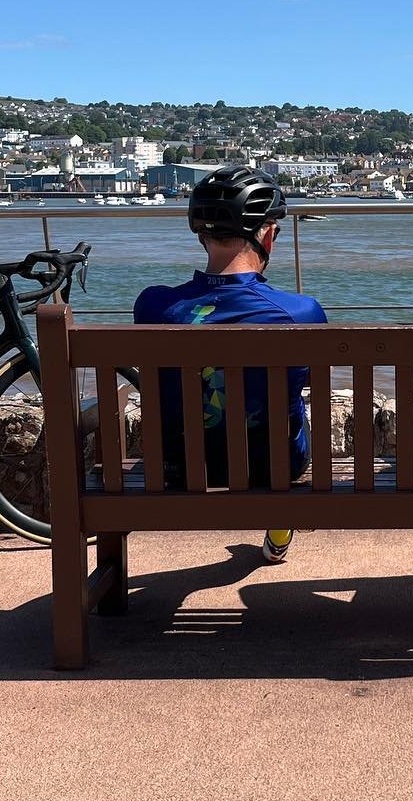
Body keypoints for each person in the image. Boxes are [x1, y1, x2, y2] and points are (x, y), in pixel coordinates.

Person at [133, 166, 327, 564]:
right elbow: (310, 383)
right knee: (291, 412)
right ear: (268, 234)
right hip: (273, 467)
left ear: (201, 235)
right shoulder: (299, 312)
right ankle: (278, 516)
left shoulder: (152, 305)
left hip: (180, 467)